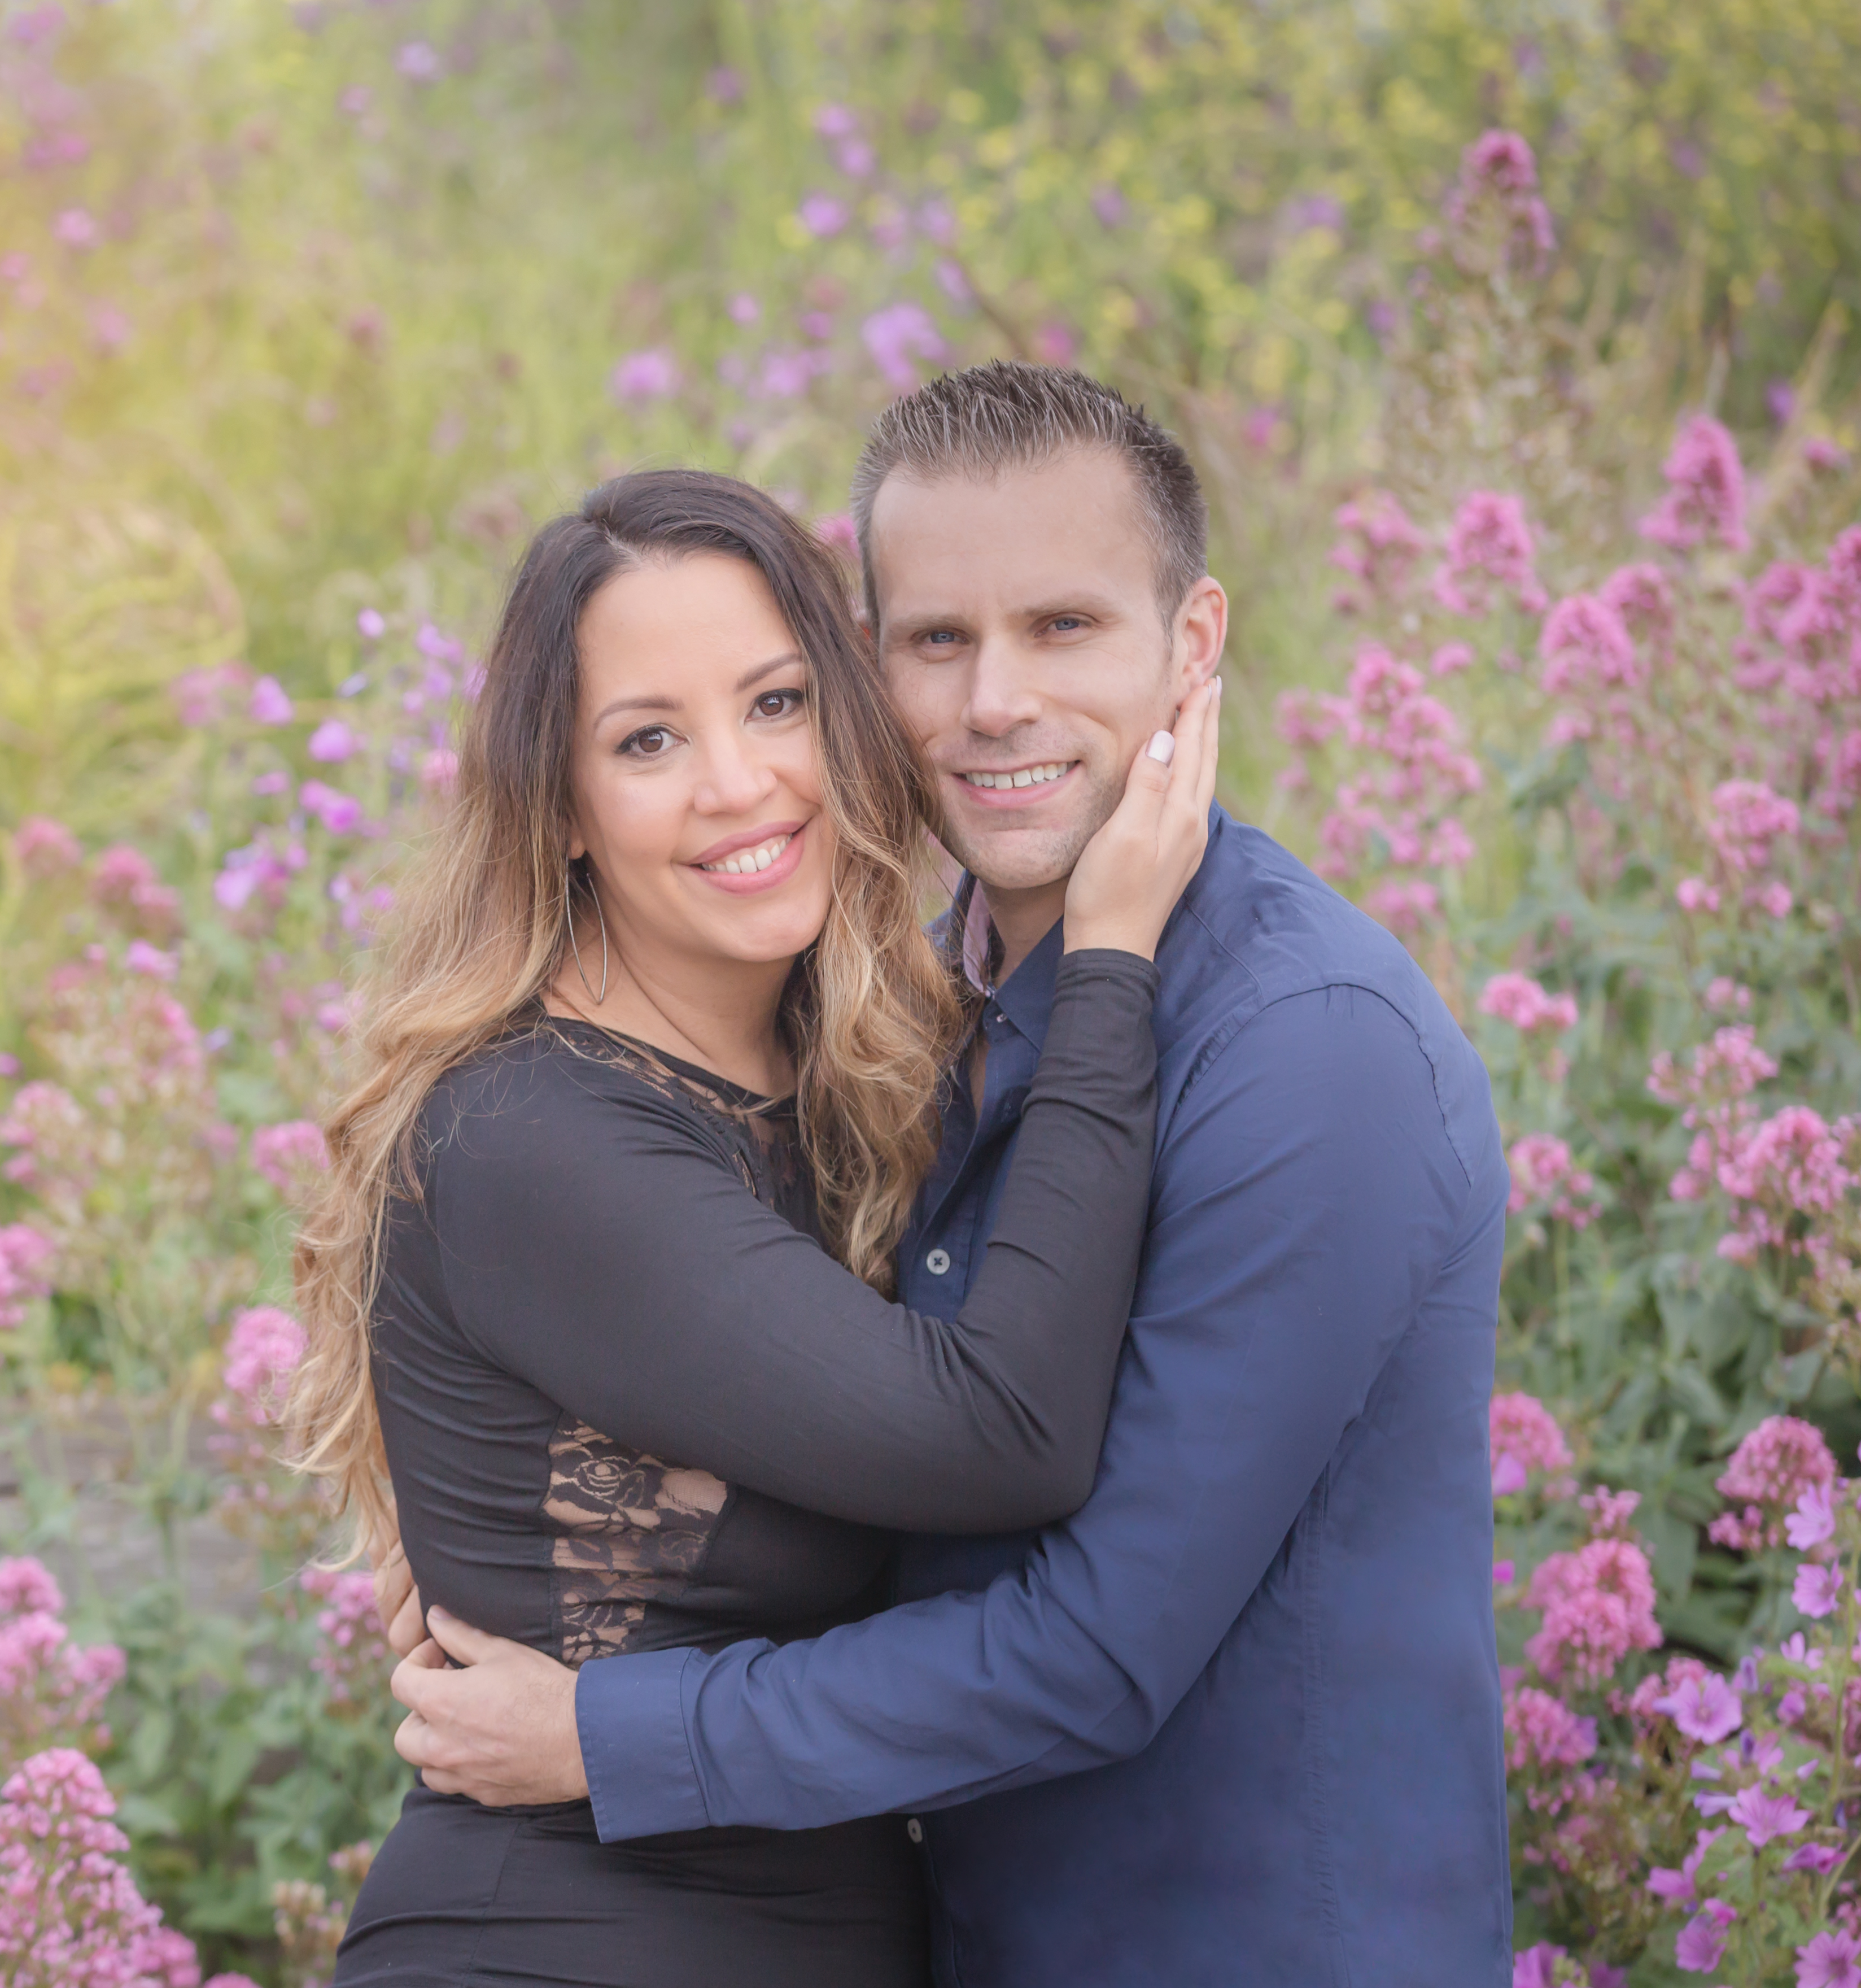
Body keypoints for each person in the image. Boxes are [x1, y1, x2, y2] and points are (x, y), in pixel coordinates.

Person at [382, 364, 1513, 1986]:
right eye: (935, 641)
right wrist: (501, 1559)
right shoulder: (911, 1019)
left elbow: (1101, 1652)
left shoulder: (1303, 1048)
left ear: (1191, 647)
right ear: (874, 673)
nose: (994, 702)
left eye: (1064, 629)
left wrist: (604, 1728)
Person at [283, 464, 1220, 1987]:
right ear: (564, 812)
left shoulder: (837, 1076)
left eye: (776, 704)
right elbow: (1006, 1438)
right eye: (648, 740)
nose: (740, 782)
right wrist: (1111, 954)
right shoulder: (538, 1135)